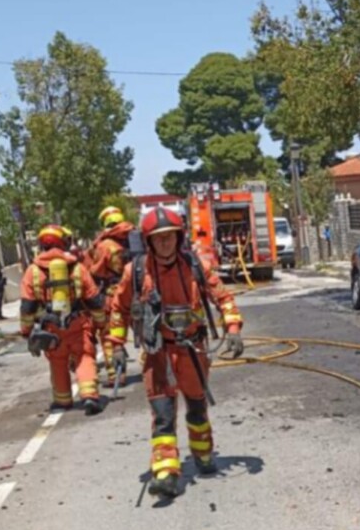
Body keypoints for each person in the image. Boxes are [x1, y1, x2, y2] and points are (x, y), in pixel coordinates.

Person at [107, 207, 244, 499]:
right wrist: (116, 345)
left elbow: (223, 296)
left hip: (192, 351)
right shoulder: (136, 272)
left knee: (196, 408)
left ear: (178, 237)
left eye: (169, 237)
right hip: (158, 354)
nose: (165, 243)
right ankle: (165, 472)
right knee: (163, 415)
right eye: (159, 238)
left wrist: (232, 327)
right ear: (149, 242)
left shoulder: (195, 265)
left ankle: (203, 454)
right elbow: (118, 310)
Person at [19, 226, 106, 414]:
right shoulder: (77, 267)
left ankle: (63, 400)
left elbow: (27, 307)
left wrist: (26, 332)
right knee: (84, 357)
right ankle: (89, 396)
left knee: (57, 361)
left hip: (51, 327)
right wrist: (100, 324)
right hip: (78, 323)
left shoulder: (32, 271)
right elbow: (94, 299)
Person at [89, 206, 136, 382]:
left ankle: (116, 374)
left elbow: (97, 270)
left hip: (114, 293)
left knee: (110, 334)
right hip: (138, 291)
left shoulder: (105, 245)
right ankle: (157, 368)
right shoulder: (135, 238)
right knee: (146, 332)